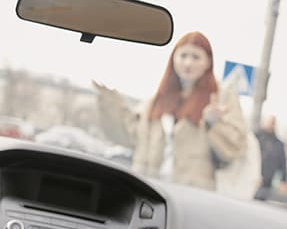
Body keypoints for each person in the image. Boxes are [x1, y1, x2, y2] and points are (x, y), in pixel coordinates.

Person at [95, 31, 247, 190]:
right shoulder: (157, 100)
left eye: (196, 57)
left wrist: (214, 123)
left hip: (193, 196)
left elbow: (236, 148)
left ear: (208, 62)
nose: (188, 63)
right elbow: (131, 135)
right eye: (183, 56)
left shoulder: (221, 98)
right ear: (173, 58)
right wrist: (109, 99)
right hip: (149, 191)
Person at [255, 115, 287, 200]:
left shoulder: (278, 144)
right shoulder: (256, 137)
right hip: (252, 180)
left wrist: (283, 181)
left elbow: (283, 164)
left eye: (273, 123)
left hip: (266, 184)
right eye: (270, 122)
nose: (271, 125)